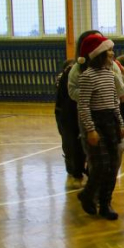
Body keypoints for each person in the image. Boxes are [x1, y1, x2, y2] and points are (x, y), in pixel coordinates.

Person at [76, 34, 124, 219]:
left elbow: (114, 102)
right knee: (101, 165)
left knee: (112, 165)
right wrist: (90, 129)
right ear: (99, 54)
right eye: (109, 51)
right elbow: (83, 105)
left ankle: (105, 204)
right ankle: (88, 194)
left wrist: (120, 123)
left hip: (110, 121)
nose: (112, 54)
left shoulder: (109, 74)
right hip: (96, 123)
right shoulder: (87, 76)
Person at [54, 59, 85, 187]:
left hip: (72, 113)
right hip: (67, 114)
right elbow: (64, 99)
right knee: (71, 144)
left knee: (76, 144)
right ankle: (74, 171)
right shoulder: (66, 76)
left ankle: (78, 169)